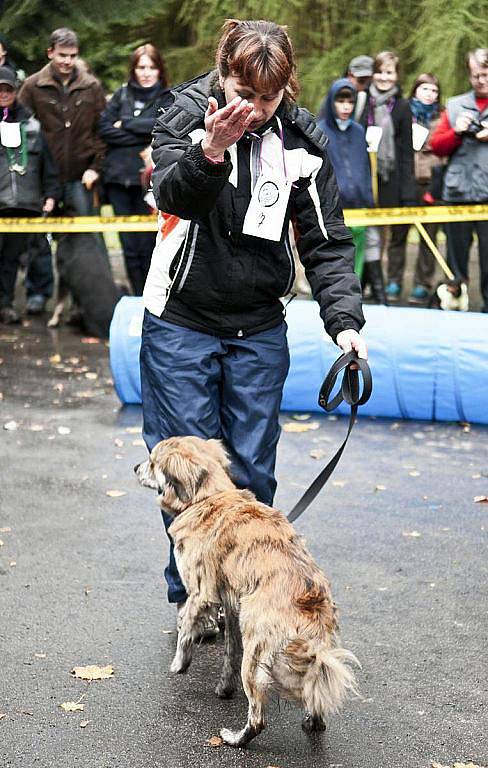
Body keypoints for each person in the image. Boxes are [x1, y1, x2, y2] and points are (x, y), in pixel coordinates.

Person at [140, 19, 367, 628]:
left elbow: (325, 242)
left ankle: (243, 587)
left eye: (269, 99)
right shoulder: (185, 113)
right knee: (189, 470)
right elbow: (173, 196)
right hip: (181, 319)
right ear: (225, 73)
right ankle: (195, 595)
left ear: (286, 88)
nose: (257, 110)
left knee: (251, 467)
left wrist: (344, 321)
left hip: (259, 325)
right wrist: (210, 150)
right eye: (246, 94)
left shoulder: (301, 141)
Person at [18, 27, 108, 316]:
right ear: (50, 53)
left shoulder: (91, 86)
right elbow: (21, 130)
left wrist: (96, 167)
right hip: (44, 179)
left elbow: (103, 132)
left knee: (86, 241)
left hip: (81, 176)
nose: (67, 61)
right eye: (62, 56)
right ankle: (38, 293)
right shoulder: (32, 87)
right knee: (39, 240)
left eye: (72, 56)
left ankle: (86, 301)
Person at [99, 44, 172, 295]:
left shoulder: (167, 97)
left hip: (150, 183)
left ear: (159, 70)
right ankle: (135, 295)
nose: (146, 72)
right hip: (119, 179)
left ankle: (151, 295)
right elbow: (105, 130)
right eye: (141, 67)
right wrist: (139, 133)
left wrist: (126, 124)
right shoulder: (121, 95)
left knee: (148, 244)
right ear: (133, 69)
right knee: (128, 246)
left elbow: (161, 128)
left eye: (151, 67)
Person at [0, 67, 60, 323]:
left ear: (15, 91)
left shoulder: (32, 125)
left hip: (23, 205)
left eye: (8, 89)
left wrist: (50, 194)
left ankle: (5, 305)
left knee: (10, 260)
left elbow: (49, 166)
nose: (3, 94)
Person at [431, 49, 488, 313]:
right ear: (469, 74)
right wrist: (457, 131)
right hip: (458, 194)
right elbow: (437, 146)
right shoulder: (454, 105)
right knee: (456, 262)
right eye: (476, 75)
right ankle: (456, 311)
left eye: (485, 74)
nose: (481, 80)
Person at [359, 51, 416, 303]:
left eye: (389, 72)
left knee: (385, 233)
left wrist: (408, 190)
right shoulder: (362, 101)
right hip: (363, 175)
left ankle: (383, 281)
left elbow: (406, 151)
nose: (384, 77)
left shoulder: (402, 107)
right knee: (364, 231)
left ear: (396, 76)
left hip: (390, 176)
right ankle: (364, 281)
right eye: (380, 71)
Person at [386, 73, 444, 304]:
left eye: (434, 90)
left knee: (428, 236)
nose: (429, 94)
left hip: (431, 183)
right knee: (397, 235)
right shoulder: (402, 113)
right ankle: (394, 280)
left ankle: (422, 284)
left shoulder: (442, 118)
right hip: (405, 182)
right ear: (415, 90)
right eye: (425, 89)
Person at [316, 78, 374, 280]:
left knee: (356, 257)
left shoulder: (358, 131)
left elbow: (365, 168)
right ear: (331, 102)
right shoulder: (320, 130)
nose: (346, 107)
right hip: (332, 209)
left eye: (350, 102)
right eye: (341, 102)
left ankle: (353, 295)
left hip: (359, 207)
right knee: (331, 256)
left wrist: (368, 198)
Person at [346, 55, 374, 122]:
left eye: (369, 82)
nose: (365, 86)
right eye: (361, 81)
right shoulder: (337, 96)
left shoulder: (373, 98)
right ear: (350, 76)